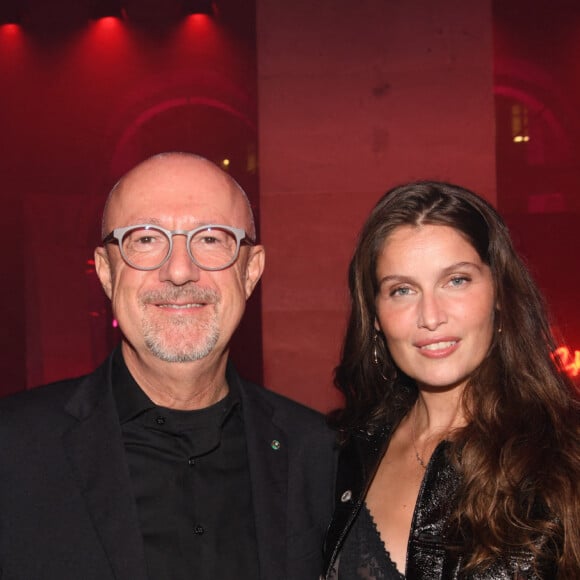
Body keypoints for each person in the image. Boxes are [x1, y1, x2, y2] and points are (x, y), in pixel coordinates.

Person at [0, 152, 336, 580]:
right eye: (146, 239)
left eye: (211, 238)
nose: (179, 270)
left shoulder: (320, 455)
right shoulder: (11, 454)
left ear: (251, 271)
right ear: (106, 273)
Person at [322, 181, 580, 579]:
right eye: (402, 290)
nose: (430, 315)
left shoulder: (565, 454)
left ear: (498, 291)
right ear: (375, 316)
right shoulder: (344, 454)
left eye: (456, 280)